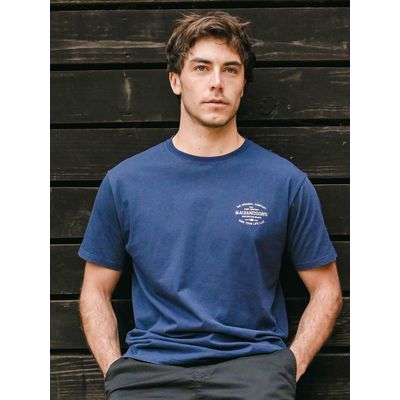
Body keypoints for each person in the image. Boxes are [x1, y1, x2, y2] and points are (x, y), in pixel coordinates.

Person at [78, 11, 343, 400]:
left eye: (230, 70)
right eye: (201, 68)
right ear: (176, 81)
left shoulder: (285, 182)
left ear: (243, 85)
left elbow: (326, 289)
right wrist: (115, 372)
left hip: (254, 373)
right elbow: (95, 290)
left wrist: (289, 367)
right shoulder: (126, 182)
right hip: (149, 374)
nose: (217, 82)